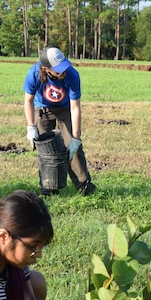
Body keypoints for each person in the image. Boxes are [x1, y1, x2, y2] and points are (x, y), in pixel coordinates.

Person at [23, 47, 96, 196]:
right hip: (43, 110)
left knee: (73, 149)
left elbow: (75, 107)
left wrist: (75, 138)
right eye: (58, 70)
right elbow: (28, 101)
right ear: (46, 68)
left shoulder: (72, 75)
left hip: (65, 110)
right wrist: (31, 126)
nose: (62, 72)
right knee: (47, 150)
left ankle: (84, 186)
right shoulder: (33, 74)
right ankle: (49, 188)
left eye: (63, 68)